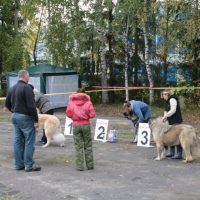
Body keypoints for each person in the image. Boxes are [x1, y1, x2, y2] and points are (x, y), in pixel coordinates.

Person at [5, 70, 41, 172]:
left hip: (15, 116)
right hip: (25, 117)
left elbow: (7, 104)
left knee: (17, 141)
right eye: (28, 76)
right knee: (29, 141)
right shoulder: (27, 88)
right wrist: (36, 120)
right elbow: (31, 106)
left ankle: (18, 164)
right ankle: (29, 165)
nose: (28, 78)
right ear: (26, 76)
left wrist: (15, 111)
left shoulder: (11, 88)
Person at [66, 88, 96, 171]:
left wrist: (74, 117)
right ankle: (90, 165)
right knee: (88, 145)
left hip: (76, 125)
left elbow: (68, 113)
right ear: (84, 94)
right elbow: (93, 114)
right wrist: (86, 117)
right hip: (86, 124)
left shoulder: (71, 102)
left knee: (78, 146)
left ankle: (80, 166)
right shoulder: (88, 102)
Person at [161, 90, 183, 159]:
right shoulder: (167, 102)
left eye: (163, 95)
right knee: (171, 137)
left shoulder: (172, 99)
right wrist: (165, 117)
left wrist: (165, 116)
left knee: (177, 137)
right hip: (171, 122)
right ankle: (171, 152)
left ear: (166, 94)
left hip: (176, 121)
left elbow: (173, 110)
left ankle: (179, 154)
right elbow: (166, 111)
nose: (162, 97)